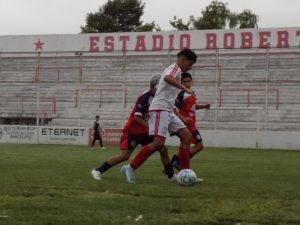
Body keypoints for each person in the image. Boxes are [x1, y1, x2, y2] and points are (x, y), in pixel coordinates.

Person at [121, 48, 199, 184]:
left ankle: (185, 173)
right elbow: (167, 78)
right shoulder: (175, 68)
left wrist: (180, 114)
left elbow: (170, 93)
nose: (190, 67)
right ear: (183, 60)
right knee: (158, 143)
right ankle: (130, 167)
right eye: (190, 64)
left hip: (167, 110)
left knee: (187, 137)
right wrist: (185, 88)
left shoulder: (178, 72)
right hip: (159, 109)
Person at [91, 75, 176, 181]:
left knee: (163, 149)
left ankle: (171, 175)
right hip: (132, 131)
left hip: (144, 131)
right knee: (125, 156)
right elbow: (136, 118)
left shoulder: (159, 98)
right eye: (159, 88)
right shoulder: (144, 97)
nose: (161, 91)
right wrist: (151, 127)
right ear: (152, 87)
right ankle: (97, 170)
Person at [169, 72, 210, 173]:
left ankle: (169, 167)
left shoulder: (191, 93)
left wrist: (204, 106)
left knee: (185, 146)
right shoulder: (181, 94)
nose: (187, 83)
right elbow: (173, 108)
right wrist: (182, 118)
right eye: (184, 82)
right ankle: (179, 162)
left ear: (192, 81)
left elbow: (193, 107)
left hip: (191, 124)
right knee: (199, 146)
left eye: (188, 81)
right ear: (181, 83)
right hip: (187, 125)